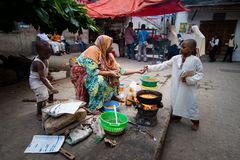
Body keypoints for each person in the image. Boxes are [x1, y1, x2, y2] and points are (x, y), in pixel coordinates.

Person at [71, 35, 145, 114]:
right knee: (99, 80)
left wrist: (137, 71)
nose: (112, 47)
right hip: (83, 74)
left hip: (93, 73)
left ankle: (110, 97)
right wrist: (109, 73)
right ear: (104, 45)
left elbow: (121, 71)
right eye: (110, 45)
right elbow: (92, 72)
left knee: (114, 74)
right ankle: (93, 107)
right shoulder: (93, 50)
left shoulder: (108, 55)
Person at [143, 39, 204, 131]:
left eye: (183, 47)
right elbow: (164, 65)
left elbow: (200, 74)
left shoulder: (196, 60)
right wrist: (149, 68)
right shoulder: (176, 58)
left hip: (188, 88)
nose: (181, 48)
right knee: (176, 102)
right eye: (181, 46)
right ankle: (177, 117)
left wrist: (190, 79)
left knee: (190, 104)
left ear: (191, 50)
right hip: (176, 86)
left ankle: (195, 121)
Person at [29, 40, 59, 120]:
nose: (48, 55)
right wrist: (51, 87)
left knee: (50, 92)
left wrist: (49, 75)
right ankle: (38, 113)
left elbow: (45, 72)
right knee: (42, 96)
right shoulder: (38, 63)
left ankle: (50, 103)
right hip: (36, 81)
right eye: (46, 53)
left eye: (49, 52)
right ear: (38, 52)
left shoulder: (46, 59)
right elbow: (42, 78)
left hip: (42, 78)